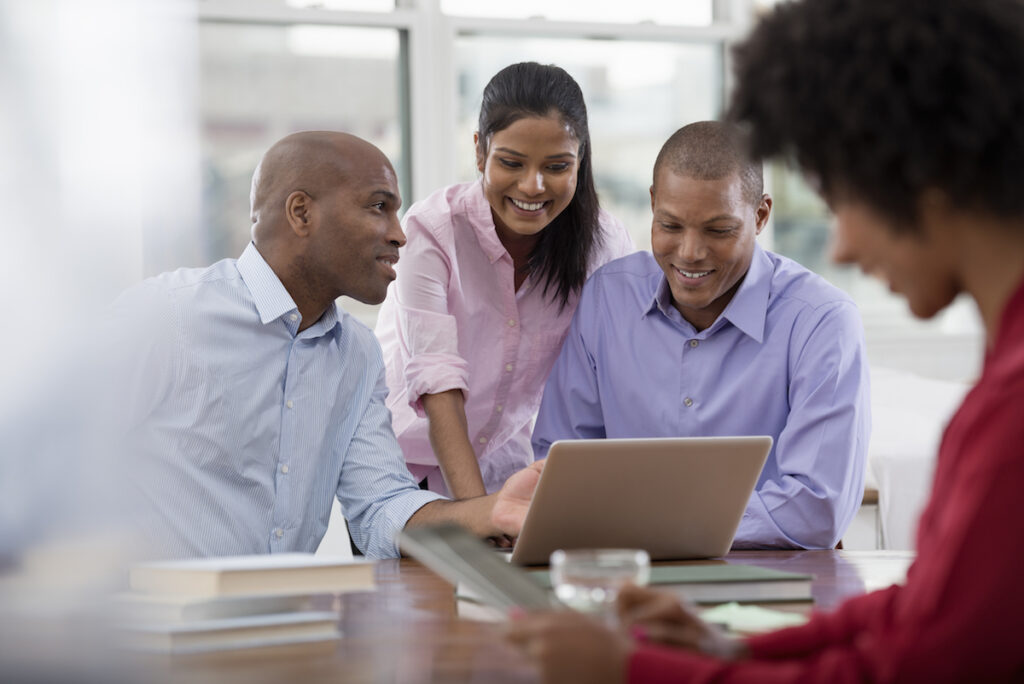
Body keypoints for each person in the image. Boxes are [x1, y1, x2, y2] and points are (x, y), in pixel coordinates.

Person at [507, 0, 1024, 681]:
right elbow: (922, 617)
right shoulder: (1001, 387)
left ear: (926, 178)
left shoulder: (1008, 417)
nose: (841, 242)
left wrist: (636, 669)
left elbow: (917, 666)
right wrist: (734, 649)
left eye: (846, 199)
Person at [120, 131, 541, 560]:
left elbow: (381, 507)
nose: (400, 234)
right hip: (154, 623)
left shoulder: (357, 354)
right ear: (301, 213)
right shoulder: (166, 317)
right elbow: (58, 466)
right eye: (380, 207)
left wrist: (493, 511)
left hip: (290, 620)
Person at [532, 120, 870, 550]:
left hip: (767, 586)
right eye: (670, 225)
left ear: (761, 215)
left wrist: (642, 524)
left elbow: (816, 508)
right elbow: (558, 463)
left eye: (718, 230)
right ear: (652, 204)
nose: (690, 253)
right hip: (625, 580)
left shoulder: (822, 322)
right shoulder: (607, 299)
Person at [374, 62, 633, 500]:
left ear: (580, 159)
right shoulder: (433, 231)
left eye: (556, 166)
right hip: (399, 469)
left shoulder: (603, 245)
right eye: (512, 162)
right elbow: (438, 385)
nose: (533, 186)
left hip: (503, 467)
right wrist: (479, 513)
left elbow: (615, 374)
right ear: (480, 152)